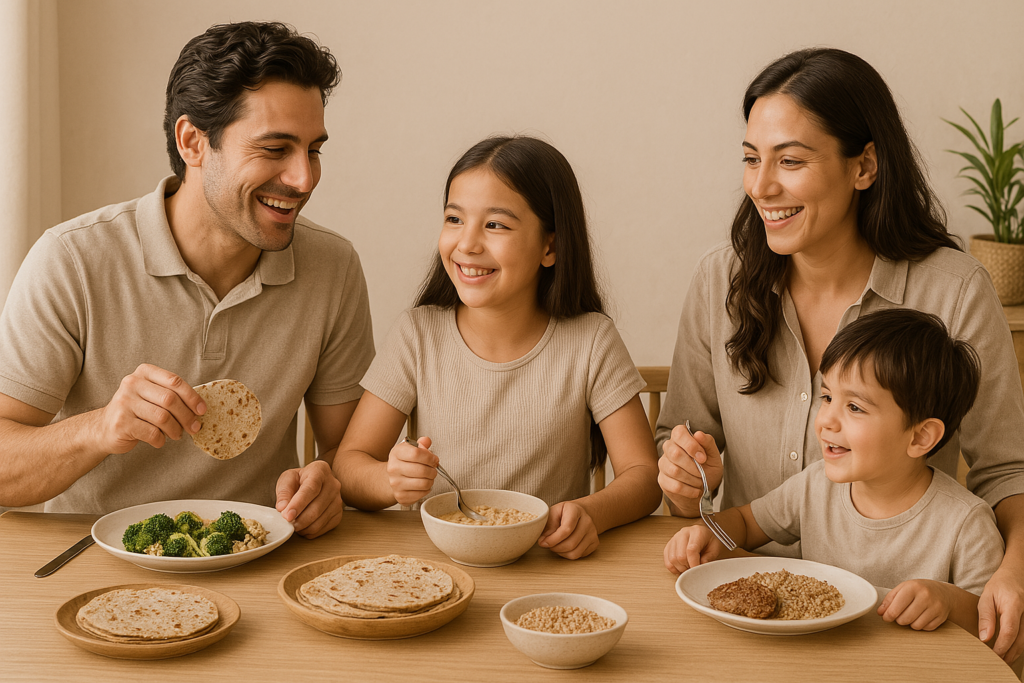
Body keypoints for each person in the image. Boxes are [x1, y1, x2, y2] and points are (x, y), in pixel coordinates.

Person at [656, 47, 1024, 662]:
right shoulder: (719, 281)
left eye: (790, 161)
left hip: (891, 630)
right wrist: (687, 481)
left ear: (864, 166)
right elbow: (681, 469)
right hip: (740, 607)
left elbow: (1006, 471)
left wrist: (1014, 572)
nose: (761, 187)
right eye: (751, 159)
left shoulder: (954, 288)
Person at [0, 22, 373, 538]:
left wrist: (327, 484)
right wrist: (100, 428)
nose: (303, 179)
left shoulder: (333, 268)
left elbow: (347, 452)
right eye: (274, 149)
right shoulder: (72, 261)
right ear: (193, 141)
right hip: (90, 564)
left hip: (259, 559)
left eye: (313, 150)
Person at [330, 136, 662, 559]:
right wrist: (389, 480)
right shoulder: (418, 334)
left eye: (496, 225)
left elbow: (643, 476)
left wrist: (590, 513)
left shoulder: (591, 341)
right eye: (454, 219)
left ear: (550, 246)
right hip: (436, 564)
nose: (467, 244)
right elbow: (350, 462)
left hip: (547, 565)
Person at [664, 309, 1004, 636]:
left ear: (920, 436)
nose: (826, 419)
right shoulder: (814, 486)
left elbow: (993, 627)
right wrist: (707, 535)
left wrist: (948, 601)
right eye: (827, 397)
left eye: (854, 406)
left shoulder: (967, 523)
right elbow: (745, 522)